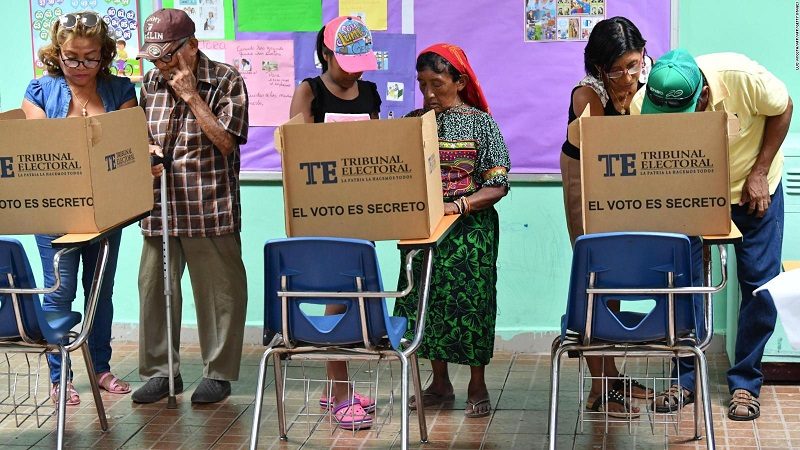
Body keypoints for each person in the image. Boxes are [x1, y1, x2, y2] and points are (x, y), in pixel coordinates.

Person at [631, 49, 793, 421]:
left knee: (760, 284)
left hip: (754, 188)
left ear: (702, 95)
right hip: (694, 192)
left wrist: (760, 171)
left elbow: (784, 107)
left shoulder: (742, 76)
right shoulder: (644, 101)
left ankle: (745, 383)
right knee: (683, 283)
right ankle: (683, 379)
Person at [132, 8, 249, 405]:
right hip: (159, 207)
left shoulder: (226, 80)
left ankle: (218, 374)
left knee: (220, 295)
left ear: (192, 47)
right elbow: (139, 136)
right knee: (152, 290)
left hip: (209, 206)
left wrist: (192, 96)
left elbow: (227, 141)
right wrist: (144, 151)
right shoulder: (148, 84)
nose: (162, 65)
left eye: (168, 55)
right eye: (155, 57)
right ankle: (162, 372)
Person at [21, 10, 137, 406]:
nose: (80, 66)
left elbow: (124, 146)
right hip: (56, 210)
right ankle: (60, 377)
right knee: (60, 290)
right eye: (72, 57)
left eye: (90, 57)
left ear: (103, 55)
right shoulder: (39, 89)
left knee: (99, 291)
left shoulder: (121, 90)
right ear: (57, 53)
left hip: (106, 210)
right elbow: (42, 146)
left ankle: (100, 367)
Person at [393, 43, 510, 419]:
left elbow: (498, 183)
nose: (429, 93)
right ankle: (439, 383)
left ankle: (477, 383)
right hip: (425, 230)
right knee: (424, 301)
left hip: (470, 232)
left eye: (437, 83)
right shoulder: (414, 121)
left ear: (459, 82)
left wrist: (457, 205)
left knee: (470, 305)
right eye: (422, 84)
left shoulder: (480, 124)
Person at [288, 16, 381, 430]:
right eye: (347, 60)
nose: (355, 68)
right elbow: (296, 154)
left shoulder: (371, 93)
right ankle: (340, 393)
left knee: (355, 296)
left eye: (361, 60)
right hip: (322, 213)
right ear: (326, 53)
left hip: (361, 210)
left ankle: (333, 387)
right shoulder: (308, 92)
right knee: (336, 294)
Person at [560, 16, 654, 418]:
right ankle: (601, 387)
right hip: (587, 184)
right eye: (621, 69)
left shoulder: (644, 76)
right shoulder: (588, 95)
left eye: (636, 64)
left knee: (614, 283)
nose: (632, 75)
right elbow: (605, 152)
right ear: (600, 67)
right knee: (596, 277)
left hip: (623, 185)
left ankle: (611, 377)